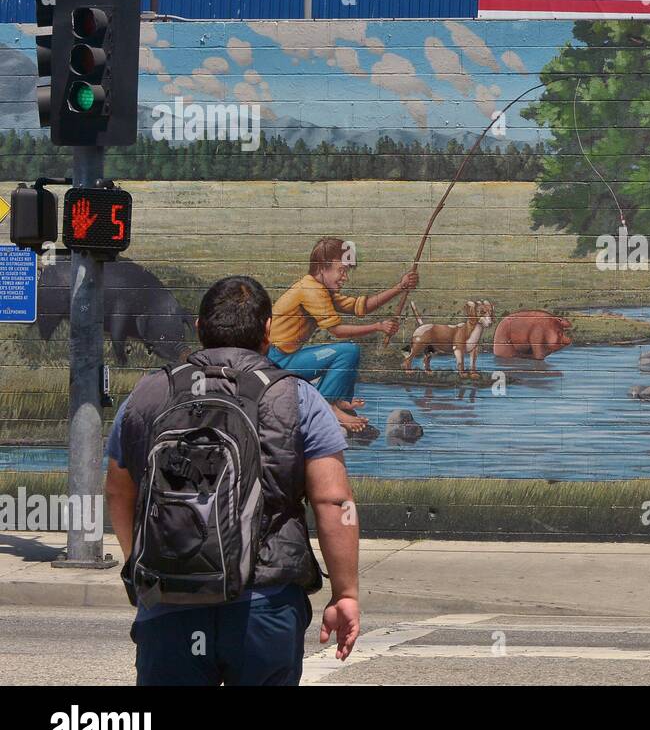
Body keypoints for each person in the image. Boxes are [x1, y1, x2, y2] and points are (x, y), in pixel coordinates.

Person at [105, 275, 361, 685]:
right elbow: (334, 502)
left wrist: (145, 559)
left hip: (170, 598)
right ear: (266, 332)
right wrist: (345, 593)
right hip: (266, 600)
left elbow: (119, 490)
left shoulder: (148, 393)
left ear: (199, 329)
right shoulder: (297, 397)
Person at [269, 237, 417, 432]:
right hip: (276, 361)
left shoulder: (321, 288)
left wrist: (400, 287)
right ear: (323, 268)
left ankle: (339, 403)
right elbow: (336, 331)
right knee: (347, 352)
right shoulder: (311, 290)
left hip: (283, 357)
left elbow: (359, 306)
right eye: (341, 270)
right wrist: (377, 326)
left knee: (348, 352)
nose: (344, 277)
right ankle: (328, 408)